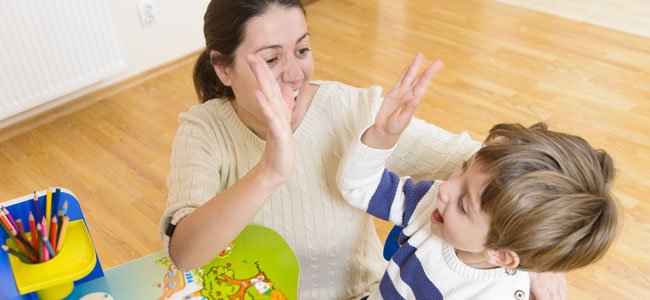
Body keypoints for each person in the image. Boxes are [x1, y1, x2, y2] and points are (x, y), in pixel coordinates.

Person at [159, 0, 568, 299]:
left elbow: (474, 159)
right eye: (270, 59)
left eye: (302, 50)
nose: (296, 72)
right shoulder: (204, 131)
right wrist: (270, 170)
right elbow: (184, 253)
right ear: (223, 68)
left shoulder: (353, 109)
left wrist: (534, 241)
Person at [336, 68, 620, 299]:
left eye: (463, 204)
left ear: (500, 255)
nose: (444, 188)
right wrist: (383, 135)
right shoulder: (430, 203)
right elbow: (359, 187)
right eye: (462, 169)